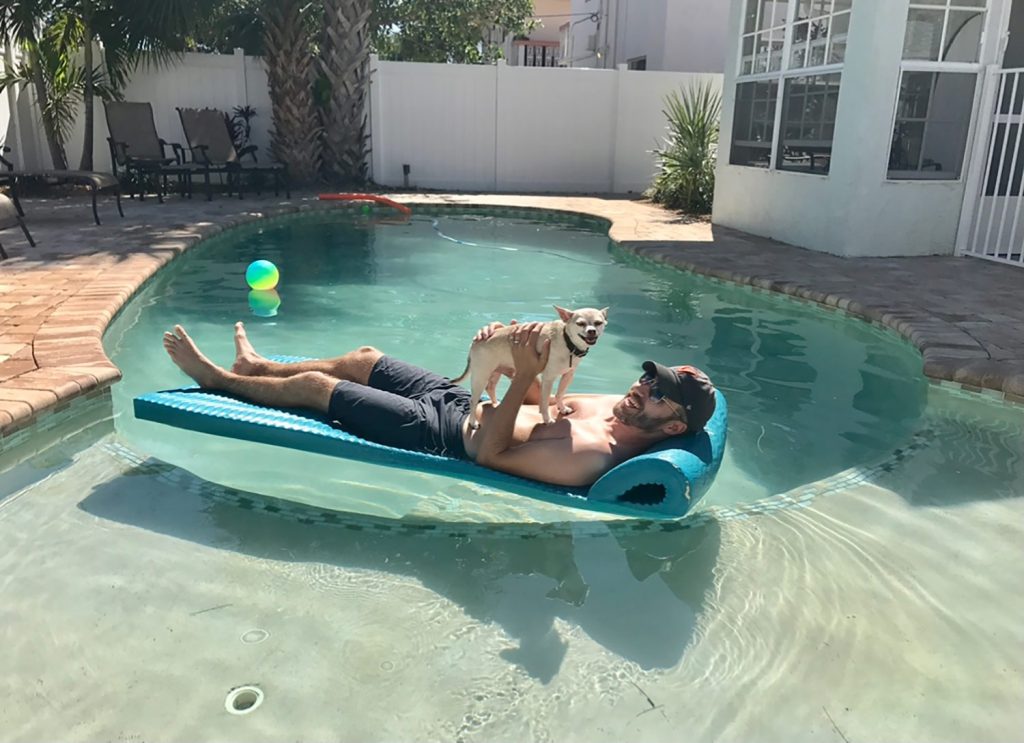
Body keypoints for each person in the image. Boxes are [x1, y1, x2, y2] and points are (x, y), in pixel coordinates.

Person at [162, 320, 717, 488]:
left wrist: (519, 373)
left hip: (441, 431)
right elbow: (534, 399)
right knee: (363, 355)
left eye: (660, 393)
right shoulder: (603, 406)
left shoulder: (591, 456)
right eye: (650, 378)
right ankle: (257, 369)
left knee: (319, 389)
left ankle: (216, 381)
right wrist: (513, 357)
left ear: (671, 428)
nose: (644, 387)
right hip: (463, 398)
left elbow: (491, 456)